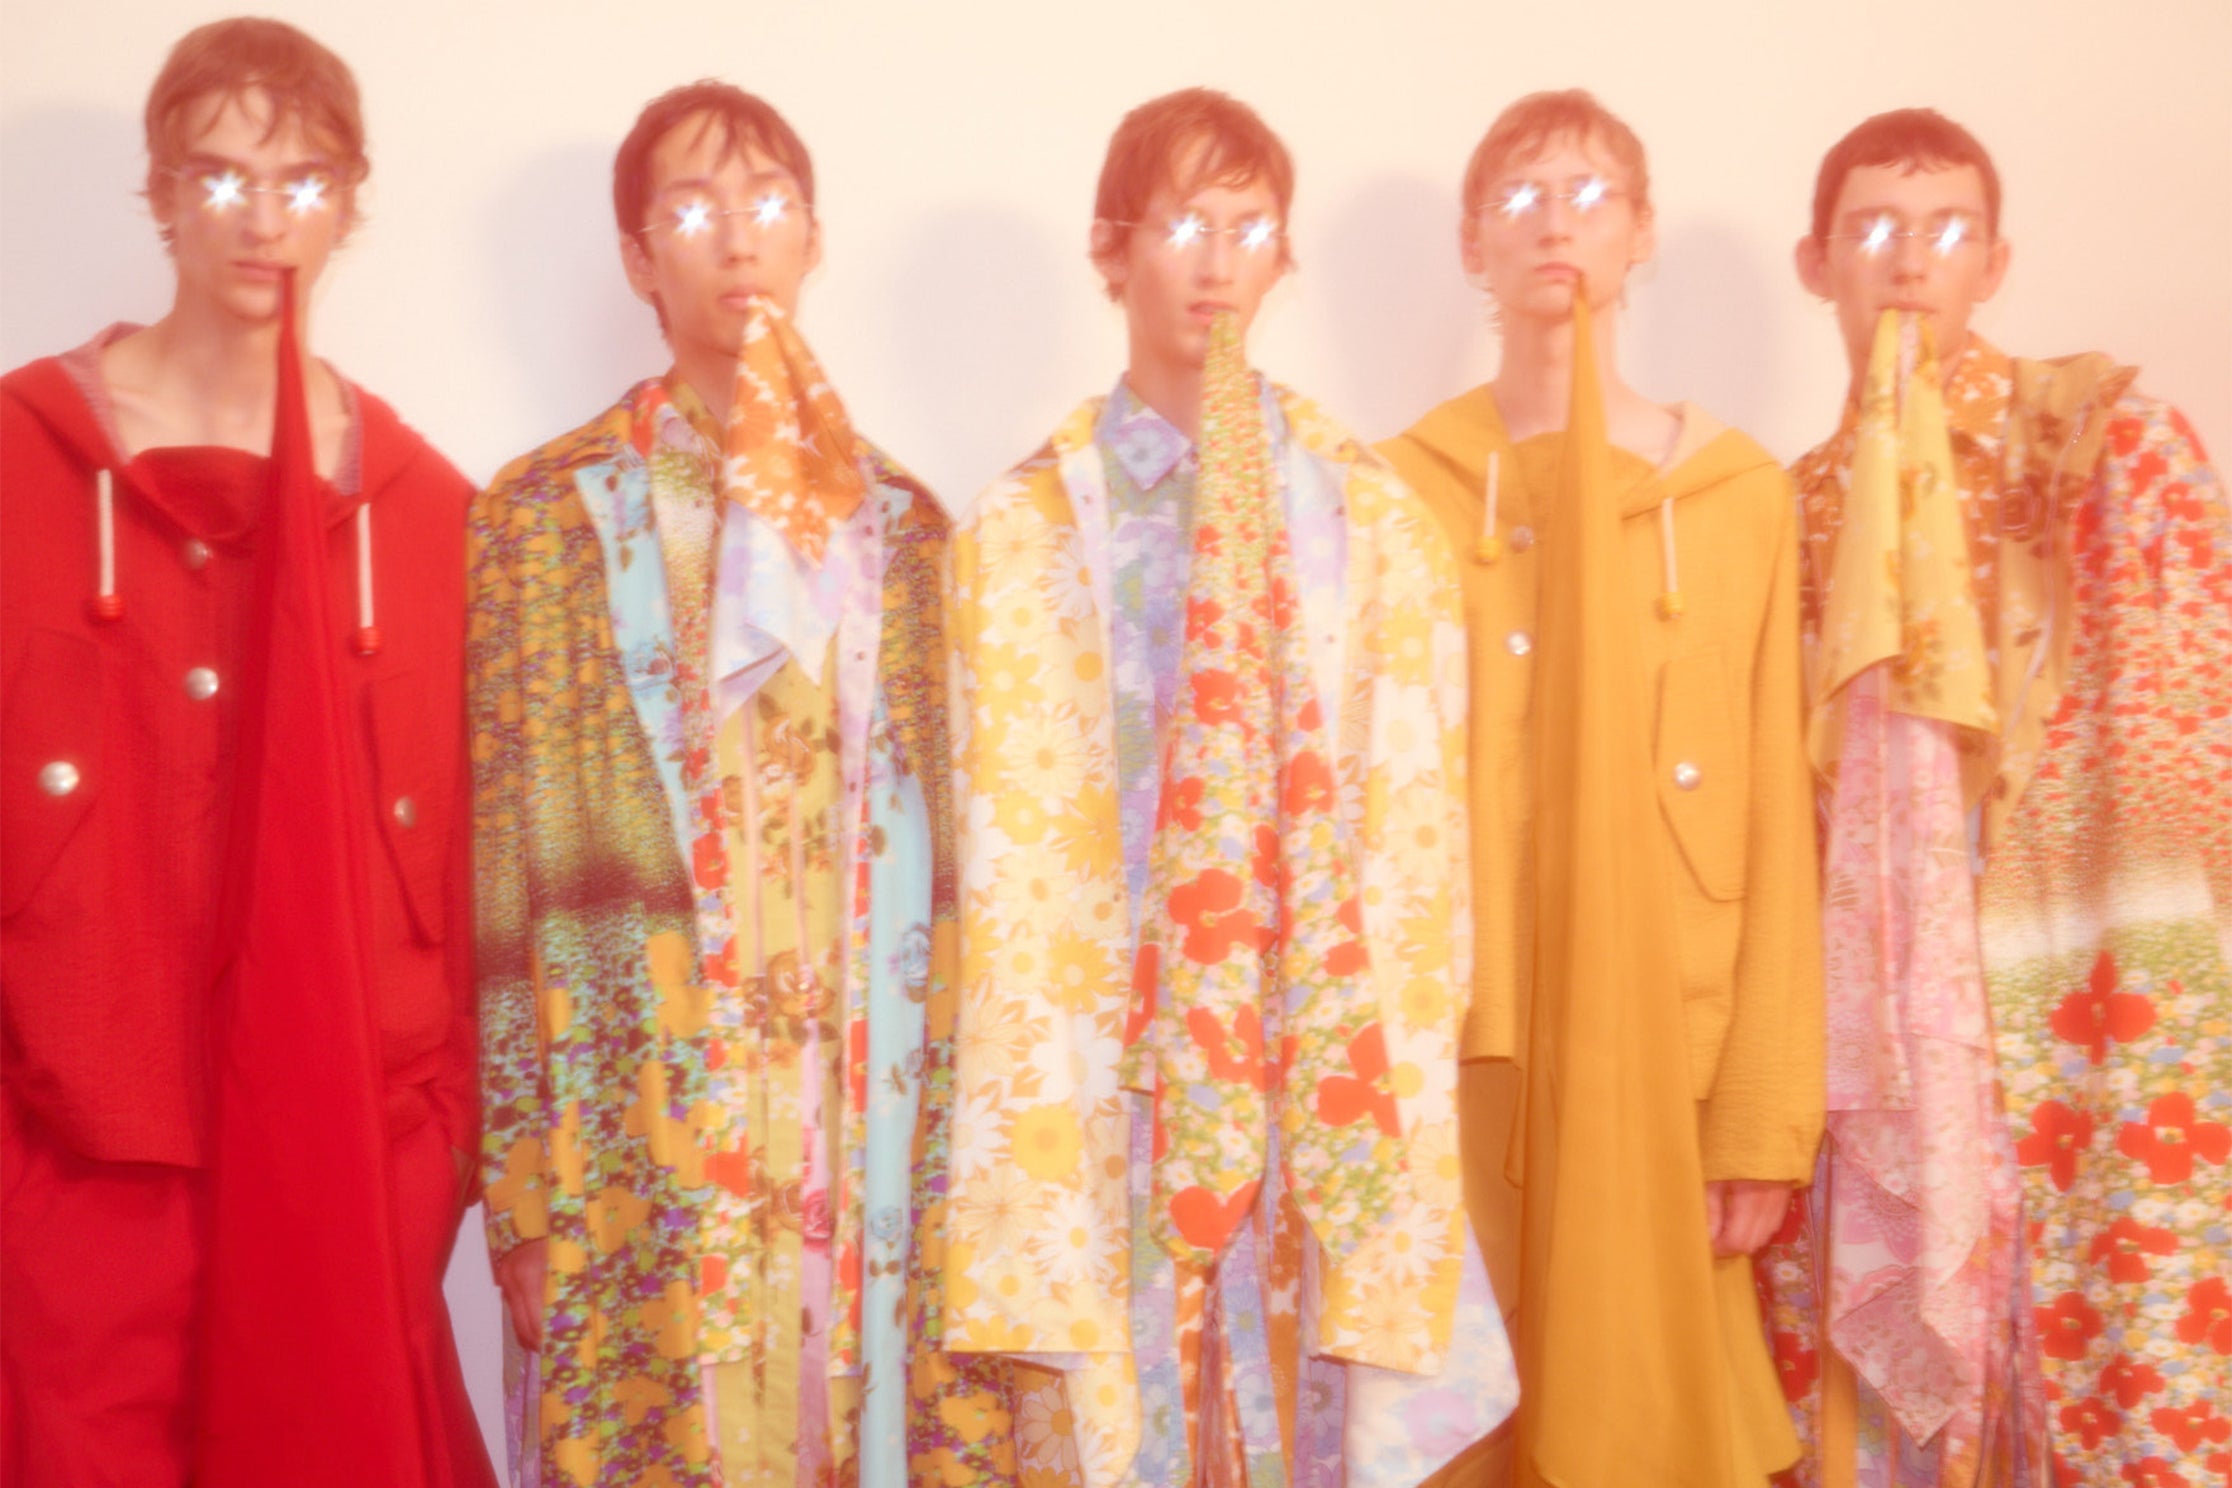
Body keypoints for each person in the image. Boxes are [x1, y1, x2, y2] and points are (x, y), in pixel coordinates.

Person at [944, 86, 1514, 1488]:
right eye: (1182, 225)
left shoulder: (1368, 519)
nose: (1216, 262)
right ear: (1110, 248)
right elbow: (997, 852)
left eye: (1248, 228)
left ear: (1283, 256)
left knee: (1304, 1410)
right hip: (1109, 1047)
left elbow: (1421, 822)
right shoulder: (1025, 525)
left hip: (1308, 1040)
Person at [469, 80, 1016, 1488]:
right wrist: (520, 1184)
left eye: (768, 203)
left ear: (814, 239)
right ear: (638, 259)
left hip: (857, 1099)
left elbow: (957, 877)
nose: (737, 236)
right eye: (693, 208)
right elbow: (503, 865)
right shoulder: (547, 517)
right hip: (643, 1104)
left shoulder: (901, 531)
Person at [0, 18, 493, 1487]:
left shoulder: (432, 521)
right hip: (73, 1160)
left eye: (302, 180)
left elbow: (481, 885)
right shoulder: (19, 469)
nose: (261, 217)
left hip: (344, 1165)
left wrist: (439, 1149)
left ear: (350, 203)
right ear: (160, 195)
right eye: (220, 177)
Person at [1759, 106, 2232, 1487]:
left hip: (2079, 981)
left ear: (1997, 261)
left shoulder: (2109, 446)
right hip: (1876, 1020)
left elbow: (2200, 709)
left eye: (1947, 230)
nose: (1911, 261)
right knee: (1875, 1387)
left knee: (2110, 1347)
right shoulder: (1790, 509)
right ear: (1816, 261)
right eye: (1873, 229)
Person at [1377, 89, 1824, 1487]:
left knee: (1647, 1412)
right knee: (1461, 1414)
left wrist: (1761, 1114)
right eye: (1519, 198)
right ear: (1473, 244)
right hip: (1466, 1036)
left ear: (1642, 232)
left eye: (1587, 194)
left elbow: (1773, 813)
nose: (1554, 222)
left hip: (1667, 1041)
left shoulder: (1739, 496)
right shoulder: (1399, 491)